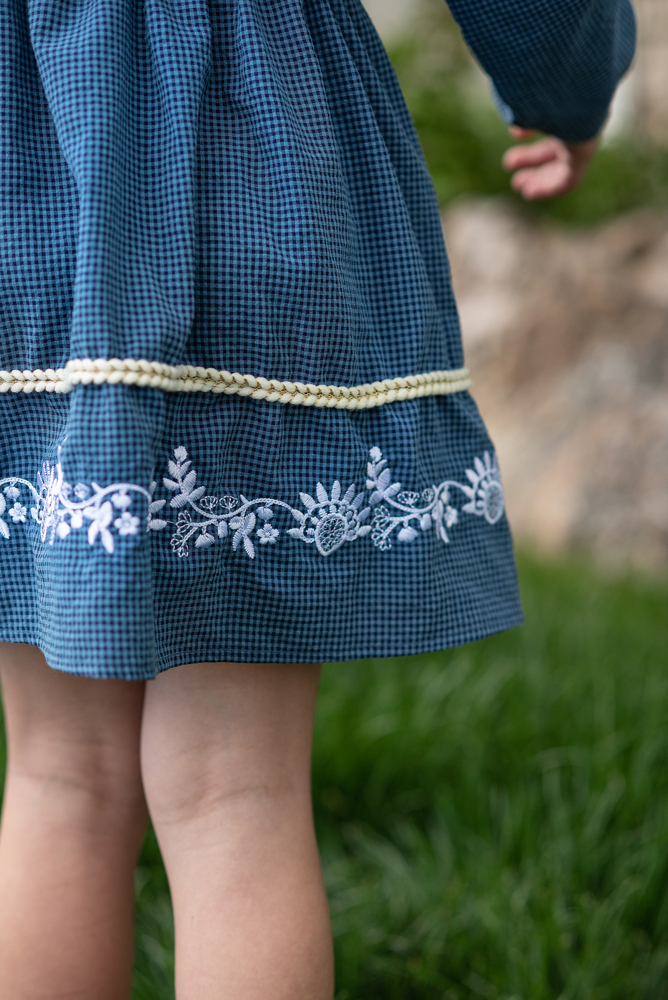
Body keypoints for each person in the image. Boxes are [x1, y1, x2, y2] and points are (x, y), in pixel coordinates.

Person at [0, 1, 634, 997]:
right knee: (231, 788)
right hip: (239, 154)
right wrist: (568, 82)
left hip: (26, 178)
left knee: (57, 771)